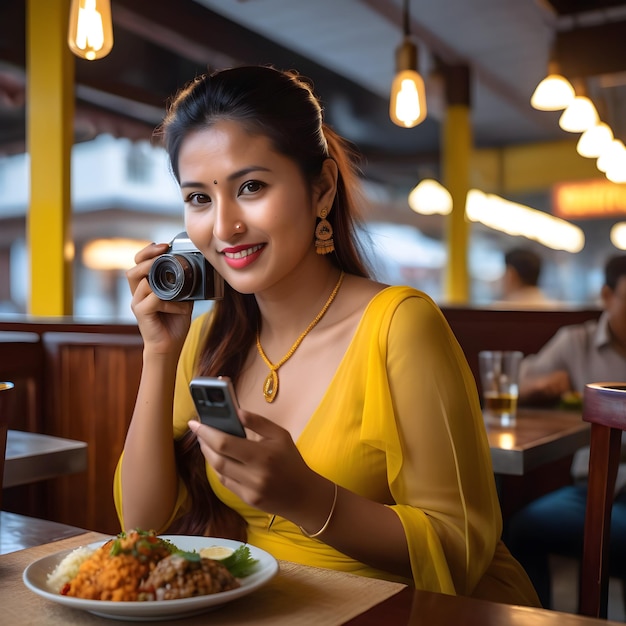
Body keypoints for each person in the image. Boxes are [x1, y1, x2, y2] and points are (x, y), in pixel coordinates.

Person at [114, 65, 539, 606]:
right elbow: (141, 525)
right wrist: (159, 352)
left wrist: (311, 499)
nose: (223, 228)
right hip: (263, 607)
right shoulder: (206, 339)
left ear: (322, 190)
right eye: (199, 198)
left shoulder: (400, 324)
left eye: (251, 187)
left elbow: (458, 549)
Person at [506, 254, 626, 608]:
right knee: (522, 529)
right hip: (590, 490)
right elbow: (513, 380)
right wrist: (539, 386)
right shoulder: (576, 342)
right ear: (606, 296)